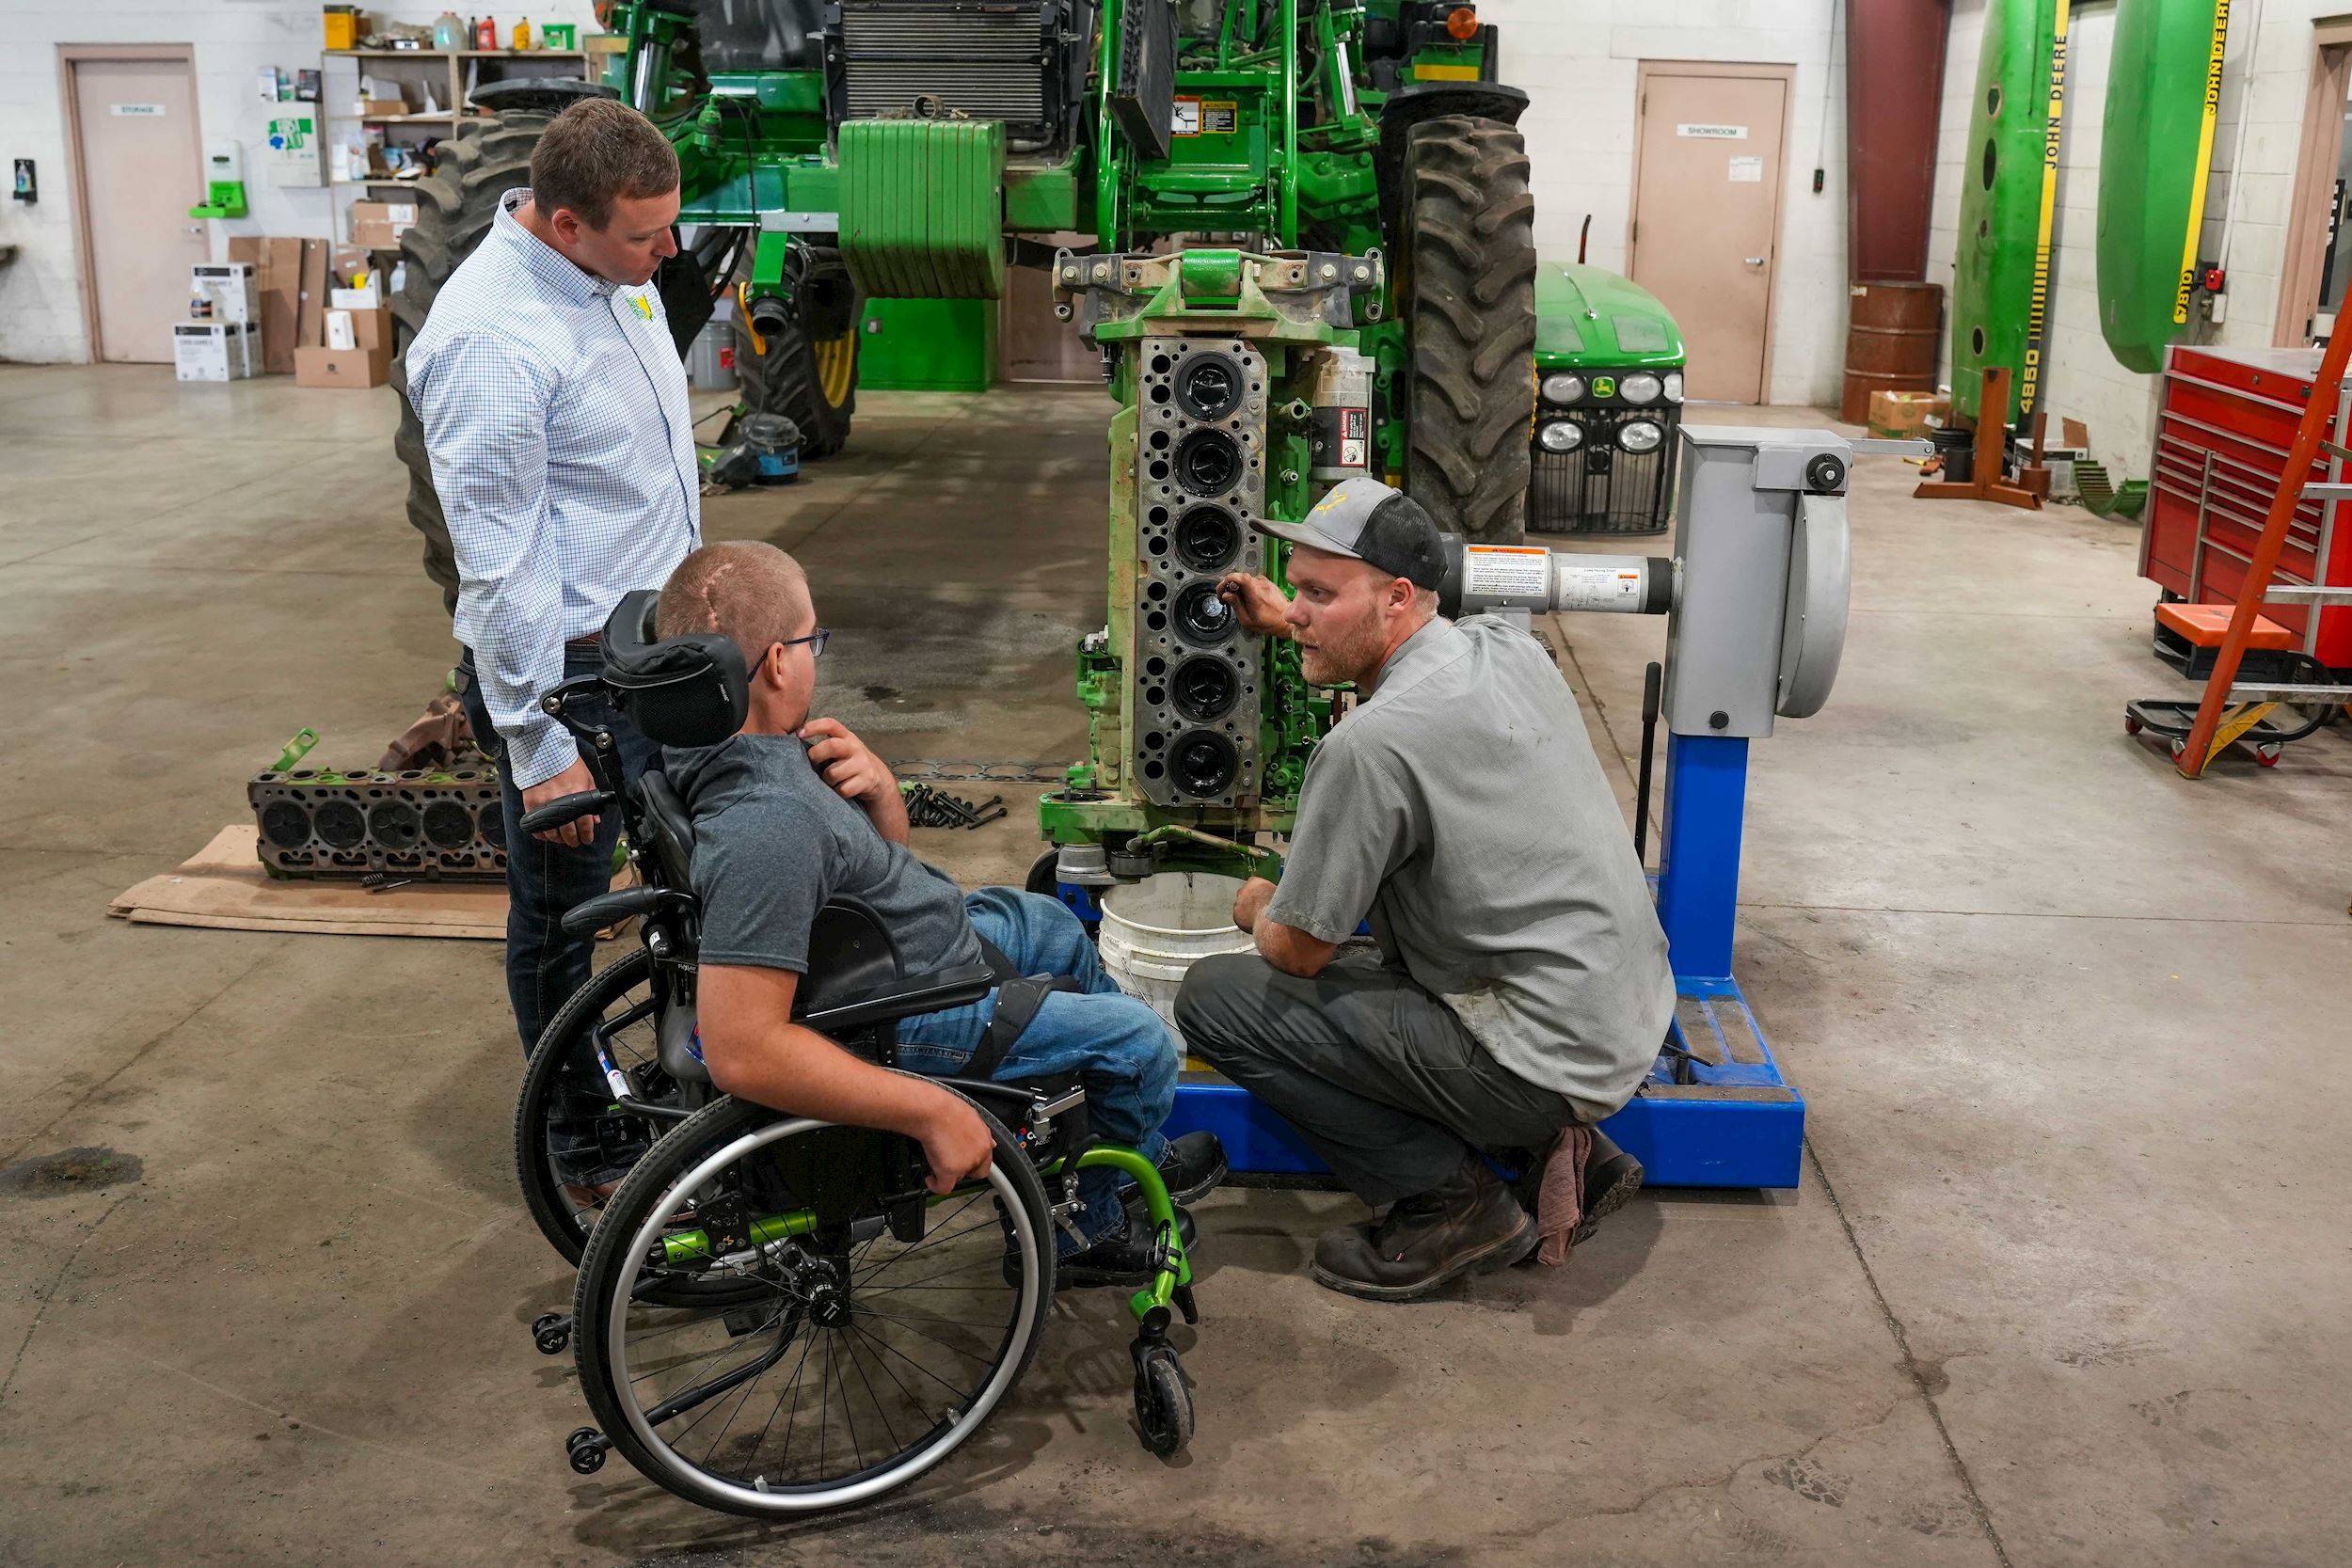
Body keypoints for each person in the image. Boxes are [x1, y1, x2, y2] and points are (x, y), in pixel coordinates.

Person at [655, 541, 1226, 1281]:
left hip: (893, 949)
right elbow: (742, 1048)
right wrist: (929, 1110)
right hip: (901, 1013)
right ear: (775, 664)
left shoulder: (732, 742)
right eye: (811, 640)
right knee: (1143, 1048)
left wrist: (883, 797)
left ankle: (1126, 1153)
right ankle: (1087, 1228)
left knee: (1050, 925)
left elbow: (861, 878)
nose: (815, 657)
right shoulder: (767, 828)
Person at [1173, 476, 1675, 1302]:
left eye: (1318, 594)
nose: (1296, 609)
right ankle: (1555, 1141)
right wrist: (1297, 623)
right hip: (1619, 1011)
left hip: (1544, 1053)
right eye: (1294, 589)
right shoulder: (1506, 650)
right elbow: (1393, 675)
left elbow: (1300, 951)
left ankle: (1449, 1204)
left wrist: (1262, 906)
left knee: (1220, 995)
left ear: (1398, 596)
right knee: (1398, 939)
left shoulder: (1368, 749)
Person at [406, 97, 700, 1054]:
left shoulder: (612, 270)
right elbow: (499, 568)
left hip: (652, 654)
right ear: (566, 222)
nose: (670, 251)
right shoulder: (491, 340)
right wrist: (536, 743)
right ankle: (575, 1129)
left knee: (678, 880)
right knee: (560, 920)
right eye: (648, 235)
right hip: (574, 685)